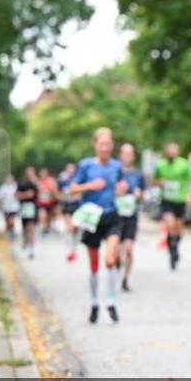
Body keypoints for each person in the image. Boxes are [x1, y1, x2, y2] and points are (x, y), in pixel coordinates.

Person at [70, 128, 127, 324]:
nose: (104, 147)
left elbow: (120, 187)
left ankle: (111, 302)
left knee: (110, 260)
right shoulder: (85, 165)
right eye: (101, 144)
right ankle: (95, 303)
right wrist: (89, 186)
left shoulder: (116, 166)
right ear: (95, 144)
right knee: (94, 265)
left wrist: (122, 189)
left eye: (108, 144)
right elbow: (72, 189)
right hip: (91, 218)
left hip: (111, 215)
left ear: (111, 146)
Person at [153, 142, 191, 270]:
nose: (171, 152)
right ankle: (172, 251)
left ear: (177, 151)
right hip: (167, 200)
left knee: (178, 229)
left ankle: (174, 247)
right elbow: (154, 180)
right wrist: (160, 182)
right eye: (169, 150)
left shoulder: (184, 164)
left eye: (174, 150)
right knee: (170, 225)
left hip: (180, 199)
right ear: (166, 152)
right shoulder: (160, 164)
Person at [117, 143, 144, 292]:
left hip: (131, 216)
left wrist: (139, 195)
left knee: (128, 250)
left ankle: (125, 279)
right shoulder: (115, 171)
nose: (127, 156)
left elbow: (142, 195)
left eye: (130, 153)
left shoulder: (137, 174)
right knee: (116, 252)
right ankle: (115, 268)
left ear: (133, 156)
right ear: (120, 155)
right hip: (116, 216)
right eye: (124, 153)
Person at [58, 162, 81, 261]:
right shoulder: (62, 180)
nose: (70, 171)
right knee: (70, 227)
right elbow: (58, 191)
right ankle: (70, 250)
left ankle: (74, 248)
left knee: (75, 229)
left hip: (76, 205)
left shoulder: (78, 179)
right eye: (69, 169)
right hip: (67, 205)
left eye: (72, 169)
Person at [16, 167, 39, 259]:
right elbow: (17, 195)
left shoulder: (36, 183)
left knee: (31, 228)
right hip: (24, 208)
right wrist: (26, 195)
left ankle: (32, 249)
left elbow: (43, 192)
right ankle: (25, 239)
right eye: (28, 174)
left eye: (31, 174)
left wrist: (35, 181)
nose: (30, 176)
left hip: (33, 208)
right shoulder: (21, 183)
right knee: (25, 229)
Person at [0, 174, 20, 240]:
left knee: (11, 221)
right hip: (6, 207)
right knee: (7, 222)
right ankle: (10, 233)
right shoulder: (3, 187)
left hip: (14, 207)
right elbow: (0, 197)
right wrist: (0, 205)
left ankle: (13, 233)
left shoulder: (15, 186)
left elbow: (19, 195)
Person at [36, 168, 58, 235]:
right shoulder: (38, 181)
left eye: (44, 173)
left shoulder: (51, 181)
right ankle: (43, 229)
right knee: (42, 216)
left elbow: (55, 189)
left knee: (49, 218)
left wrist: (49, 190)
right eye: (41, 173)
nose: (42, 175)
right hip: (41, 203)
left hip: (50, 203)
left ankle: (47, 229)